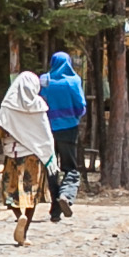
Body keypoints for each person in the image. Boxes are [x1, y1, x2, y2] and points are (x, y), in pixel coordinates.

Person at [0, 69, 60, 245]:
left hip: (13, 158)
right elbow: (45, 135)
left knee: (9, 194)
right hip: (34, 158)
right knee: (32, 195)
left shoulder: (8, 107)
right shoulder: (39, 107)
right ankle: (24, 233)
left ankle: (20, 217)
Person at [40, 51, 88, 220]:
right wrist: (73, 116)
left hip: (47, 130)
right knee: (71, 169)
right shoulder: (73, 81)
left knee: (51, 169)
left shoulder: (45, 80)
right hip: (68, 129)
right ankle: (66, 196)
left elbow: (39, 102)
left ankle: (55, 209)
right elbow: (81, 106)